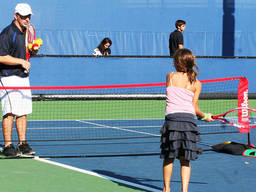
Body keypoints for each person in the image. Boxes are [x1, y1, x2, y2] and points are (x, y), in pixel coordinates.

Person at [160, 48, 213, 192]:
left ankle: (167, 189)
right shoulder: (197, 83)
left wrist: (203, 116)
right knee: (185, 160)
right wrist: (205, 116)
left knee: (169, 157)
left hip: (172, 121)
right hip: (189, 121)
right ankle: (184, 190)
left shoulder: (170, 76)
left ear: (177, 62)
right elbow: (195, 108)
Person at [0, 3, 40, 156]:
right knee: (9, 112)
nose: (26, 19)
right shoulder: (8, 33)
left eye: (28, 16)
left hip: (23, 77)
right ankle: (8, 145)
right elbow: (1, 57)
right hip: (8, 78)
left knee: (22, 112)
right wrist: (21, 61)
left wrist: (32, 51)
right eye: (23, 16)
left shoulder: (27, 31)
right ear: (16, 16)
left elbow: (25, 52)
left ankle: (22, 144)